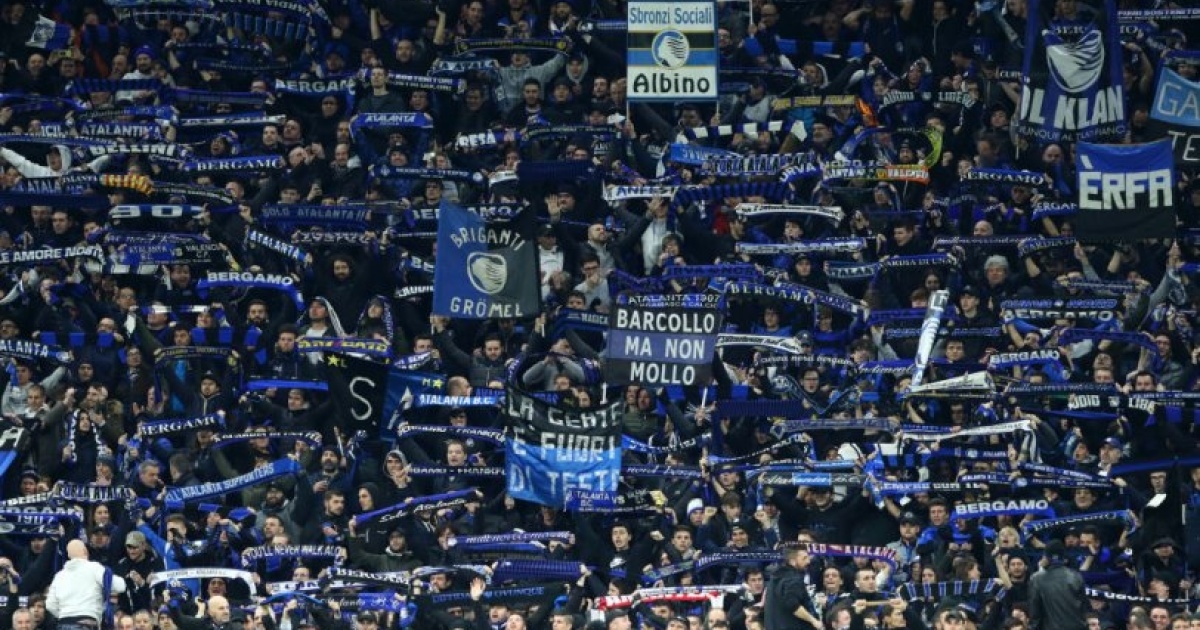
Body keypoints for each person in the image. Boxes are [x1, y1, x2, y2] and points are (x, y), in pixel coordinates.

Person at [46, 539, 127, 628]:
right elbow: (120, 586)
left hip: (63, 623)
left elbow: (50, 604)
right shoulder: (94, 568)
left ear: (69, 555)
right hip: (86, 622)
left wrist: (64, 615)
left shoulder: (59, 576)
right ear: (85, 551)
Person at [1028, 540, 1088, 630]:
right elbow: (1084, 608)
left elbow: (1035, 613)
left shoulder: (1036, 579)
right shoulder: (1076, 576)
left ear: (1046, 557)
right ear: (1063, 557)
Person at [764, 547, 821, 630]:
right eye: (804, 558)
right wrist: (814, 621)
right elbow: (793, 605)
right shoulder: (793, 579)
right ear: (792, 561)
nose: (808, 561)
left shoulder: (774, 578)